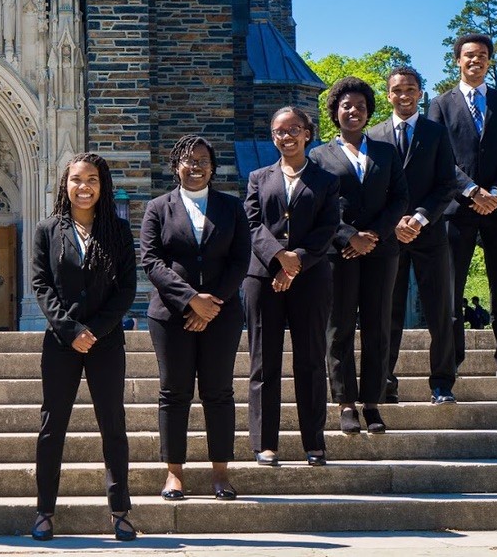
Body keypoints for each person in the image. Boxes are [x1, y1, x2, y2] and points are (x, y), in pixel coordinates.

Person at [31, 153, 137, 542]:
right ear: (66, 184)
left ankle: (121, 510)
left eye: (92, 179)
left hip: (106, 342)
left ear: (101, 185)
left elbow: (126, 288)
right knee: (51, 426)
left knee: (113, 425)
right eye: (76, 179)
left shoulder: (118, 232)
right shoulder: (48, 230)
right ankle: (44, 511)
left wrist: (95, 329)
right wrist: (70, 329)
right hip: (61, 342)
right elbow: (41, 285)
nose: (84, 187)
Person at [141, 135, 249, 500]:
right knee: (174, 392)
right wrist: (190, 301)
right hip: (171, 316)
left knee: (218, 392)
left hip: (222, 313)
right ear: (176, 166)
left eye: (203, 159)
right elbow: (152, 261)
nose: (196, 166)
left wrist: (211, 303)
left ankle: (221, 474)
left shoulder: (232, 208)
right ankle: (174, 474)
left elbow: (240, 260)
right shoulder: (158, 207)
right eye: (188, 160)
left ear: (213, 166)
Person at [309, 78, 407, 436]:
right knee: (340, 327)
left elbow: (399, 198)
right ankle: (346, 402)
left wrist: (374, 235)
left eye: (361, 107)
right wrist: (349, 236)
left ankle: (372, 402)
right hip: (339, 254)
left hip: (382, 251)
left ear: (369, 112)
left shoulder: (386, 152)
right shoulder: (318, 156)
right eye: (346, 106)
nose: (354, 111)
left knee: (378, 326)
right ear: (335, 111)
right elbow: (317, 206)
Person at [429, 33, 497, 377]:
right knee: (452, 287)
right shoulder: (441, 105)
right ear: (457, 60)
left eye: (483, 55)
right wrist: (472, 191)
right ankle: (453, 359)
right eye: (469, 55)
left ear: (489, 60)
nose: (476, 60)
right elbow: (439, 158)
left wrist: (496, 192)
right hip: (457, 211)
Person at [244, 107, 339, 467]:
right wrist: (279, 258)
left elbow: (328, 226)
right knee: (263, 362)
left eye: (293, 130)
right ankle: (265, 443)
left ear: (307, 134)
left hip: (311, 278)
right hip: (263, 278)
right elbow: (252, 224)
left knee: (311, 361)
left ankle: (314, 441)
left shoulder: (326, 180)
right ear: (273, 137)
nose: (286, 136)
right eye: (279, 131)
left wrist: (296, 259)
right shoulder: (258, 177)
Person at [368, 66, 460, 405]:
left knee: (440, 312)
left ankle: (442, 384)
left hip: (430, 234)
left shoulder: (436, 134)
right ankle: (384, 381)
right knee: (386, 313)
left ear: (420, 93)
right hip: (389, 238)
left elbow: (446, 184)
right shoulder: (374, 136)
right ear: (388, 94)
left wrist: (419, 218)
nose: (404, 95)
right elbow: (372, 188)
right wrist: (393, 222)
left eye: (411, 89)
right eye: (397, 90)